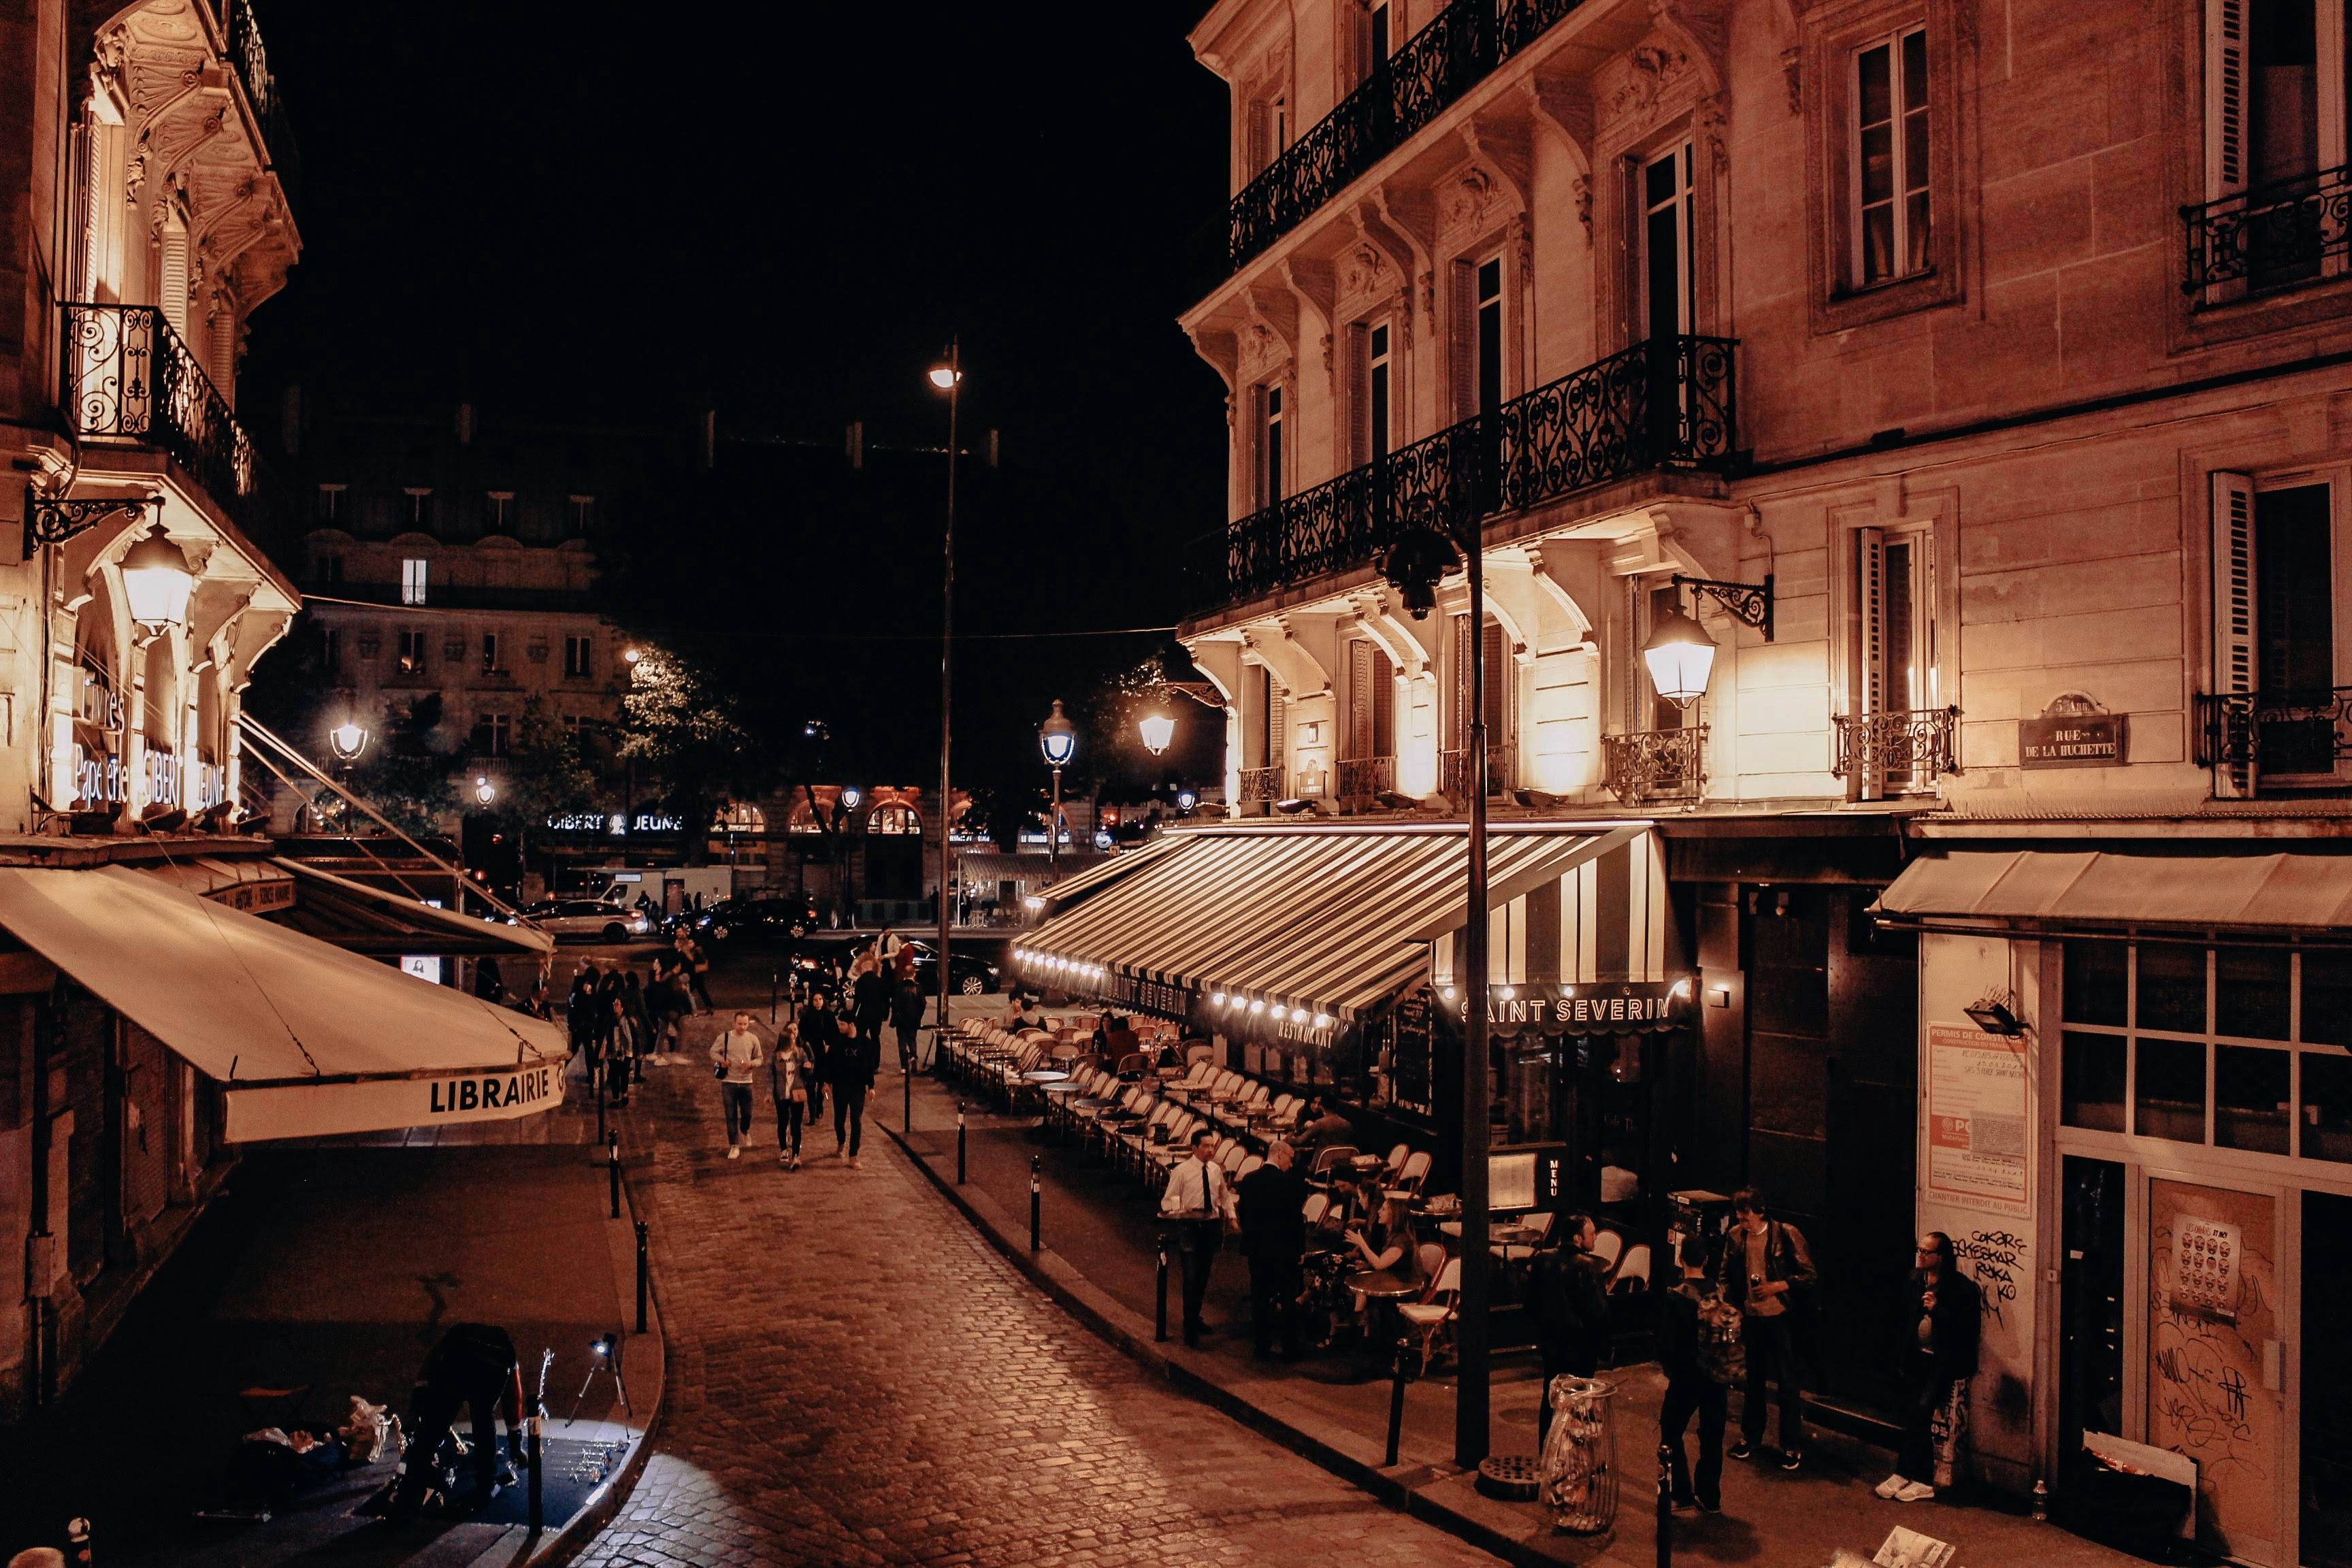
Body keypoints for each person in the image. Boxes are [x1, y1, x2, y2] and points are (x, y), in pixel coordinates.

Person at [1717, 1186, 1816, 1470]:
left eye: (1745, 1215)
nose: (1741, 1220)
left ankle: (1791, 1444)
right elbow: (1725, 1272)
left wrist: (1777, 1286)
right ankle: (1751, 1436)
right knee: (1754, 1380)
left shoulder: (1786, 1234)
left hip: (1781, 1316)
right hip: (1752, 1316)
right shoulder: (1737, 1236)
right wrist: (1732, 1303)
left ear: (1760, 1212)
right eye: (1738, 1215)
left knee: (1787, 1382)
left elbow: (1809, 1274)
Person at [1879, 1230, 1981, 1504]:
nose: (1921, 1256)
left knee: (1921, 1411)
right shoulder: (1915, 1280)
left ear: (1942, 1257)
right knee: (1912, 1412)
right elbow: (1903, 1319)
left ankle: (1921, 1479)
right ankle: (1906, 1474)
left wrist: (1938, 1310)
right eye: (1919, 1250)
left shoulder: (1962, 1289)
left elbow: (1966, 1331)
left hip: (1943, 1363)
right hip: (1917, 1358)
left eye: (1927, 1252)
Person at [391, 1322, 523, 1519]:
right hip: (489, 1367)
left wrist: (416, 1409)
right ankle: (486, 1486)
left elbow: (428, 1370)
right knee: (483, 1420)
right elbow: (513, 1400)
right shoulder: (506, 1355)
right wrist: (515, 1444)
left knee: (433, 1425)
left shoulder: (450, 1342)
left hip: (457, 1362)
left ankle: (410, 1495)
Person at [1661, 1234, 1735, 1515]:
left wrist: (1670, 1368)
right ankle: (1710, 1496)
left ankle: (1680, 1493)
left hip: (1686, 1376)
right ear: (1705, 1260)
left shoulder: (1676, 1295)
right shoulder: (1718, 1291)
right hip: (1715, 1375)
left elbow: (1667, 1342)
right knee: (1712, 1435)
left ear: (1681, 1259)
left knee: (1671, 1430)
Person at [1529, 1214, 1611, 1448]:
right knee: (1579, 1403)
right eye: (1591, 1233)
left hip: (1552, 1343)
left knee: (1551, 1396)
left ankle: (1546, 1449)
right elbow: (1599, 1314)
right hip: (1581, 1347)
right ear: (1578, 1238)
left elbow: (1531, 1302)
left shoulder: (1542, 1260)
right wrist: (1604, 1350)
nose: (1595, 1237)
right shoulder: (1591, 1268)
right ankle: (1572, 1455)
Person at [1158, 1128, 1237, 1346]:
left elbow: (1224, 1196)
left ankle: (1195, 1316)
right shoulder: (1182, 1172)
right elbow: (1168, 1200)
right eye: (1206, 1146)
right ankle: (1190, 1325)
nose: (1210, 1150)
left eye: (1212, 1146)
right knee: (1191, 1276)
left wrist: (1231, 1216)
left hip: (1210, 1226)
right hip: (1190, 1227)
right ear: (1194, 1148)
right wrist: (1180, 1211)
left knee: (1203, 1276)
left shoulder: (1214, 1170)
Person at [1237, 1140, 1307, 1359]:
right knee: (1287, 1299)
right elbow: (1296, 1220)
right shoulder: (1289, 1183)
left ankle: (1261, 1346)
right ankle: (1289, 1348)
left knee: (1259, 1297)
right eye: (1290, 1158)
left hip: (1257, 1249)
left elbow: (1244, 1214)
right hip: (1283, 1251)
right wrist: (1300, 1249)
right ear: (1279, 1155)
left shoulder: (1248, 1181)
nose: (1291, 1164)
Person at [826, 995, 877, 1166]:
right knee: (839, 1120)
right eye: (839, 1024)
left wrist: (871, 1086)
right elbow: (830, 1063)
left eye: (842, 1024)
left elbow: (869, 1066)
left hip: (857, 1088)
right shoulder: (837, 1041)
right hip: (840, 1086)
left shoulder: (865, 1043)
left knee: (857, 1121)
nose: (840, 1027)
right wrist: (827, 1082)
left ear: (851, 1025)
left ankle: (853, 1155)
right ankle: (841, 1142)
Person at [709, 1012, 765, 1160]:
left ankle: (745, 1130)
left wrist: (751, 1064)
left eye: (745, 1024)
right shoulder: (725, 1038)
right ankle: (734, 1145)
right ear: (735, 1023)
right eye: (740, 1024)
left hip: (747, 1082)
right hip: (729, 1082)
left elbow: (760, 1058)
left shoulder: (753, 1039)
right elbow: (713, 1052)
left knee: (747, 1113)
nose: (742, 1027)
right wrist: (722, 1060)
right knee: (730, 1114)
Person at [770, 1015, 815, 1169]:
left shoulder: (800, 1053)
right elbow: (771, 1077)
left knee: (796, 1125)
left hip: (797, 1093)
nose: (793, 1042)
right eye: (790, 1040)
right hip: (782, 1094)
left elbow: (807, 1075)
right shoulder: (776, 1057)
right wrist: (769, 1093)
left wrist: (808, 1068)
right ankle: (784, 1150)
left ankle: (796, 1155)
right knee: (783, 1123)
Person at [890, 958, 926, 1074]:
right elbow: (923, 1004)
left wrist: (895, 1017)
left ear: (904, 974)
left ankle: (904, 1067)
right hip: (913, 1020)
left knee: (902, 1042)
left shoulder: (898, 987)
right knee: (912, 1040)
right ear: (914, 974)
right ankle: (913, 1056)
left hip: (901, 1020)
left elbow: (894, 1004)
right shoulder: (918, 987)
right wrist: (918, 1016)